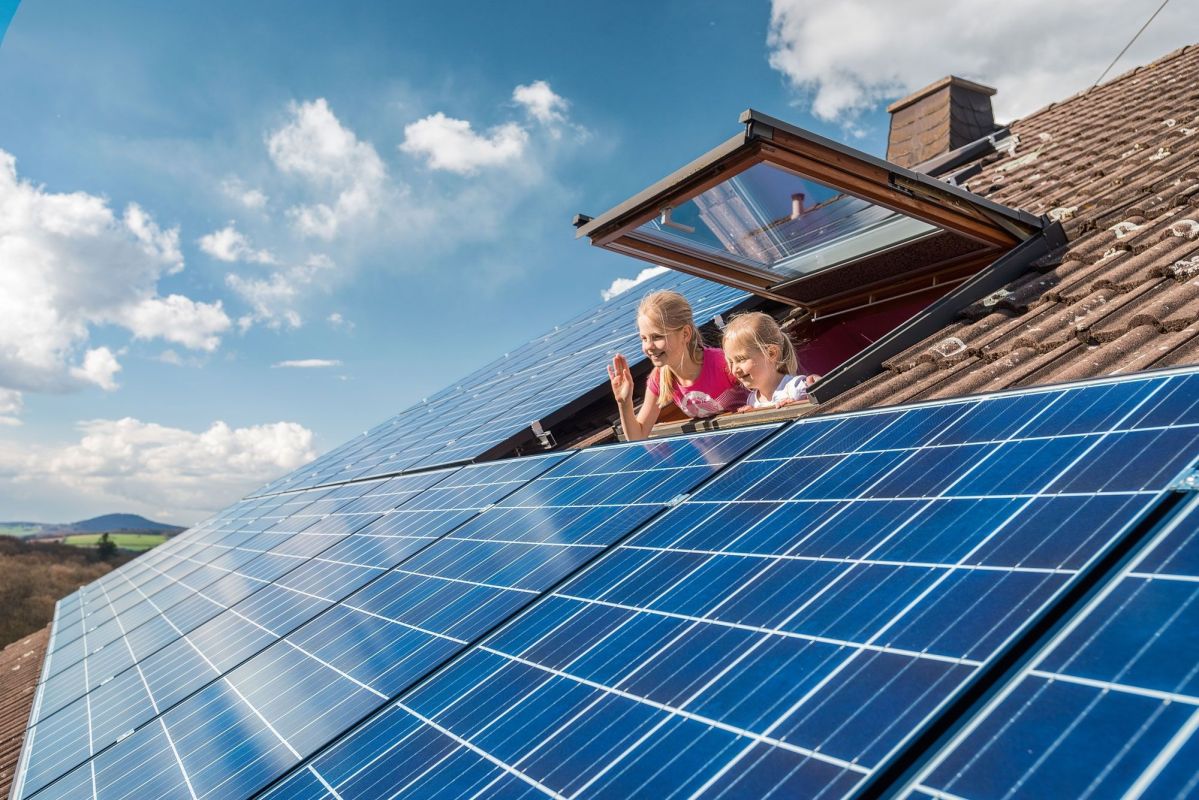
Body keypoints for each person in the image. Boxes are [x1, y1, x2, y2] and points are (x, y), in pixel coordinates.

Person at [608, 290, 748, 441]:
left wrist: (757, 405)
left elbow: (768, 387)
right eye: (644, 338)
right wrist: (624, 402)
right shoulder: (659, 378)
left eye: (657, 336)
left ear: (685, 334)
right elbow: (637, 436)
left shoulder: (722, 363)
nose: (649, 346)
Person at [721, 311, 819, 409]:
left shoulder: (796, 388)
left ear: (771, 353)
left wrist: (801, 404)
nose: (734, 369)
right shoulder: (752, 400)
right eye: (731, 362)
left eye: (741, 359)